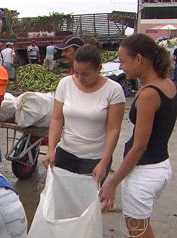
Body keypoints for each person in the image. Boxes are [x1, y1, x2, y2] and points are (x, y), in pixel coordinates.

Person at [99, 34, 177, 238]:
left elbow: (139, 146)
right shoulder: (167, 84)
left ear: (138, 59)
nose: (121, 66)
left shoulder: (149, 94)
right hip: (161, 166)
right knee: (143, 227)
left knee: (137, 235)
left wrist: (112, 183)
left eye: (123, 61)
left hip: (144, 172)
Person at [43, 44, 126, 186]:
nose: (80, 78)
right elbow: (57, 119)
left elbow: (113, 129)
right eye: (76, 73)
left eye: (86, 74)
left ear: (99, 69)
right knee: (61, 201)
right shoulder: (65, 84)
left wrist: (104, 163)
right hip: (65, 154)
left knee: (86, 204)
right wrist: (51, 150)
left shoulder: (114, 90)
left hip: (94, 158)